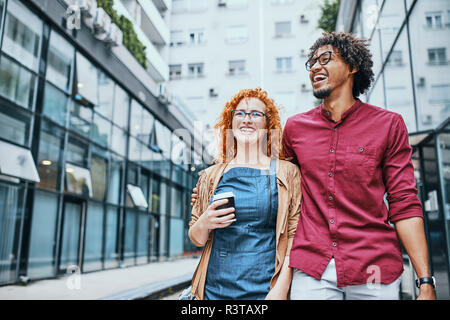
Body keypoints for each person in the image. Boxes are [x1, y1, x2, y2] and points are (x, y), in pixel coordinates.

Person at [282, 32, 436, 300]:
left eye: (326, 58)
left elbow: (404, 202)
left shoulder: (389, 125)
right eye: (312, 62)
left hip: (373, 266)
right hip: (312, 267)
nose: (316, 67)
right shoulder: (295, 128)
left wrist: (425, 281)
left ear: (352, 67)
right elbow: (283, 193)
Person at [188, 88, 302, 300]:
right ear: (230, 122)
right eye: (240, 113)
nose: (247, 119)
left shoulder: (287, 172)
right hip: (215, 290)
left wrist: (280, 289)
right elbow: (196, 238)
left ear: (268, 124)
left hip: (267, 288)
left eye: (255, 114)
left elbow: (294, 236)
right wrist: (205, 221)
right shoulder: (210, 176)